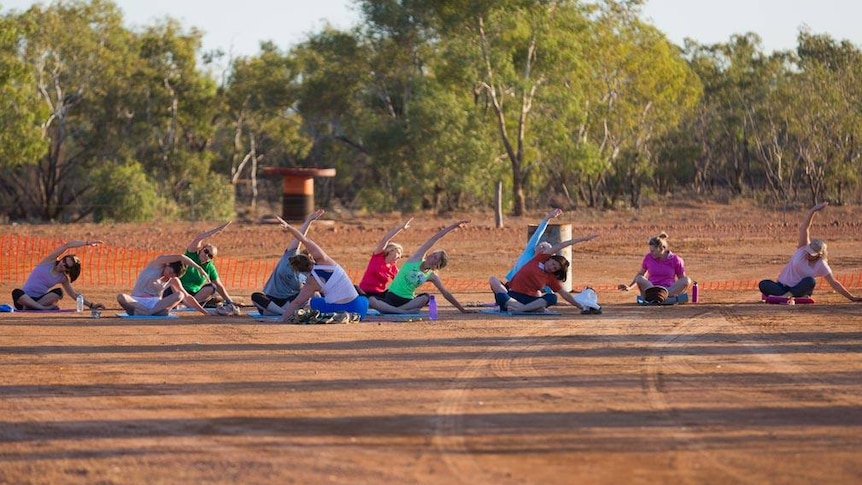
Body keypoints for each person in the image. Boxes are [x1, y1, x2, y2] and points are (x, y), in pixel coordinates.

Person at [759, 202, 862, 301]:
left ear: (819, 255)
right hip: (781, 286)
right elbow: (805, 228)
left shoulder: (821, 265)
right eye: (809, 251)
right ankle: (786, 295)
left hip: (799, 289)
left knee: (810, 281)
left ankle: (788, 296)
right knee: (763, 284)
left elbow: (834, 283)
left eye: (812, 254)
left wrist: (852, 297)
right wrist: (813, 210)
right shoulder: (803, 247)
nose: (808, 254)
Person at [369, 220, 472, 314]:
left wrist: (462, 309)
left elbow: (445, 293)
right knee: (371, 300)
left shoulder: (431, 276)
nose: (431, 255)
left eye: (435, 257)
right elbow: (435, 238)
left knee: (425, 297)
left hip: (407, 300)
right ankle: (400, 311)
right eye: (433, 253)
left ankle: (396, 310)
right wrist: (454, 226)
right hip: (391, 297)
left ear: (437, 264)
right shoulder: (417, 258)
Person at [277, 223, 369, 322]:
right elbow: (304, 239)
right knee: (362, 298)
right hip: (360, 309)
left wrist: (282, 318)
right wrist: (289, 227)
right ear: (309, 258)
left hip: (339, 309)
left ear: (299, 271)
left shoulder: (311, 283)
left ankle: (339, 315)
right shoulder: (325, 261)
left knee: (314, 302)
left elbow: (297, 302)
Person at [489, 233, 599, 314]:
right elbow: (561, 245)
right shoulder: (540, 258)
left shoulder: (550, 278)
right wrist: (583, 238)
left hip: (529, 299)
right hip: (512, 295)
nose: (552, 267)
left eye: (555, 268)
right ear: (550, 259)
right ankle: (525, 308)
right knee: (499, 292)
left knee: (552, 298)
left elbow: (564, 294)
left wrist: (581, 307)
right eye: (553, 264)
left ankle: (521, 309)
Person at [252, 209, 324, 315]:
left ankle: (287, 312)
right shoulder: (289, 257)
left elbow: (318, 289)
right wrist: (308, 220)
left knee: (314, 293)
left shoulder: (308, 273)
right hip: (272, 302)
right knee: (256, 296)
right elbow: (299, 237)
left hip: (289, 303)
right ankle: (284, 313)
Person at [12, 240, 107, 311]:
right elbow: (67, 245)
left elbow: (74, 295)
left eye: (66, 266)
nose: (63, 264)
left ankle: (33, 307)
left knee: (59, 292)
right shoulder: (50, 260)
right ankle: (40, 308)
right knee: (16, 292)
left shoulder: (62, 278)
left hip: (40, 299)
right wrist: (87, 243)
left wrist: (91, 305)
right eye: (64, 261)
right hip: (25, 298)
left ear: (68, 270)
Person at [164, 221, 238, 310]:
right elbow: (199, 237)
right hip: (177, 290)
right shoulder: (191, 254)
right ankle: (185, 303)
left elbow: (219, 285)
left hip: (194, 294)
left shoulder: (209, 267)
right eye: (206, 251)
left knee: (212, 288)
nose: (206, 255)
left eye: (210, 255)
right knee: (173, 283)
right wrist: (217, 230)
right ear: (202, 249)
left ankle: (187, 305)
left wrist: (229, 301)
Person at [117, 254, 211, 316]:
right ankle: (148, 312)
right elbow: (181, 257)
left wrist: (205, 312)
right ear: (167, 265)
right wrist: (199, 268)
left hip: (156, 304)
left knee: (180, 295)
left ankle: (149, 313)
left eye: (173, 275)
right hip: (137, 301)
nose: (170, 276)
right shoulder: (156, 264)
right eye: (170, 272)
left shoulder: (173, 279)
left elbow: (187, 297)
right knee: (121, 297)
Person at [618, 232, 692, 304]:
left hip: (668, 290)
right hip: (651, 288)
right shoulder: (648, 257)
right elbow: (641, 274)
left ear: (662, 248)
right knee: (639, 278)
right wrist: (629, 287)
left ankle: (660, 297)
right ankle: (663, 298)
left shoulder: (676, 259)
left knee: (687, 280)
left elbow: (682, 278)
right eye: (650, 251)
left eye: (653, 251)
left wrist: (679, 291)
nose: (651, 253)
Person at [357, 217, 413, 299]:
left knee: (393, 294)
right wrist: (400, 228)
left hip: (379, 295)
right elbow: (385, 239)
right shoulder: (378, 256)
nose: (399, 257)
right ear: (391, 251)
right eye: (398, 254)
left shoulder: (393, 268)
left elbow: (401, 283)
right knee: (354, 288)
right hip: (364, 292)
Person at [505, 208, 563, 283]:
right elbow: (538, 234)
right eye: (541, 245)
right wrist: (548, 217)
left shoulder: (541, 266)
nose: (540, 247)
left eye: (543, 248)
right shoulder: (529, 251)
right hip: (511, 282)